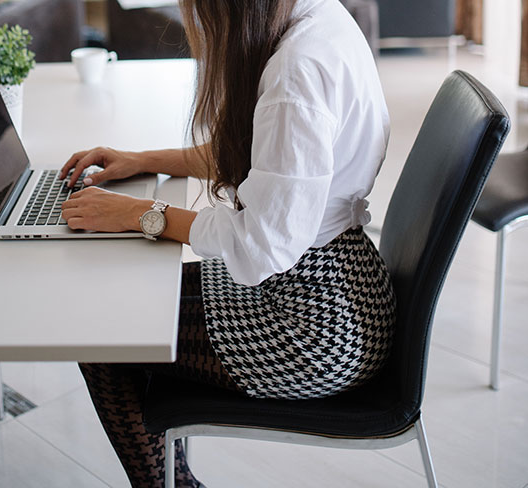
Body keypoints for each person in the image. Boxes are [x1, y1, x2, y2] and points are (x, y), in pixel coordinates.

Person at [60, 0, 395, 486]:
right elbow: (274, 158)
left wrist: (140, 214)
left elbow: (258, 247)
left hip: (312, 331)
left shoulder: (295, 74)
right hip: (342, 282)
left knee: (103, 329)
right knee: (127, 297)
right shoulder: (318, 16)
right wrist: (142, 160)